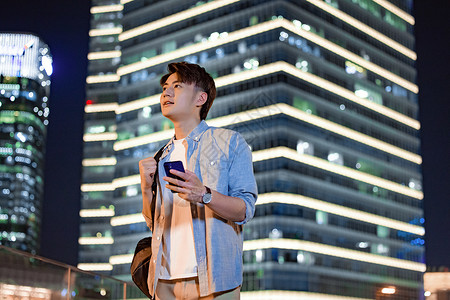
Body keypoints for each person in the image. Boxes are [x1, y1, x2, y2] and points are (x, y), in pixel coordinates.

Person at [139, 62, 258, 300]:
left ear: (200, 98)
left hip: (215, 281)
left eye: (177, 86)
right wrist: (145, 189)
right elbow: (155, 225)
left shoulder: (229, 142)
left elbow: (245, 210)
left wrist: (204, 194)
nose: (166, 93)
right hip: (164, 283)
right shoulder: (160, 156)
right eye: (165, 87)